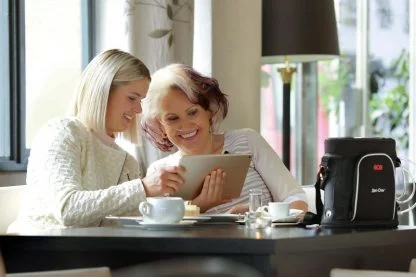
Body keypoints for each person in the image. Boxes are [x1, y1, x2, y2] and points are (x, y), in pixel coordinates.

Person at [8, 49, 185, 232]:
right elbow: (68, 209)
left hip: (93, 251)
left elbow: (125, 222)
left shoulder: (127, 161)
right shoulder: (63, 132)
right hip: (42, 250)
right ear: (104, 90)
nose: (139, 110)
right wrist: (143, 187)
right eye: (132, 98)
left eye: (140, 100)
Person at [141, 63, 308, 214]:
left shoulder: (247, 141)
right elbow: (163, 233)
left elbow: (296, 200)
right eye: (172, 118)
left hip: (261, 244)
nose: (185, 126)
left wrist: (260, 214)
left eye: (192, 112)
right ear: (160, 126)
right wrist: (200, 205)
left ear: (209, 111)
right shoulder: (160, 173)